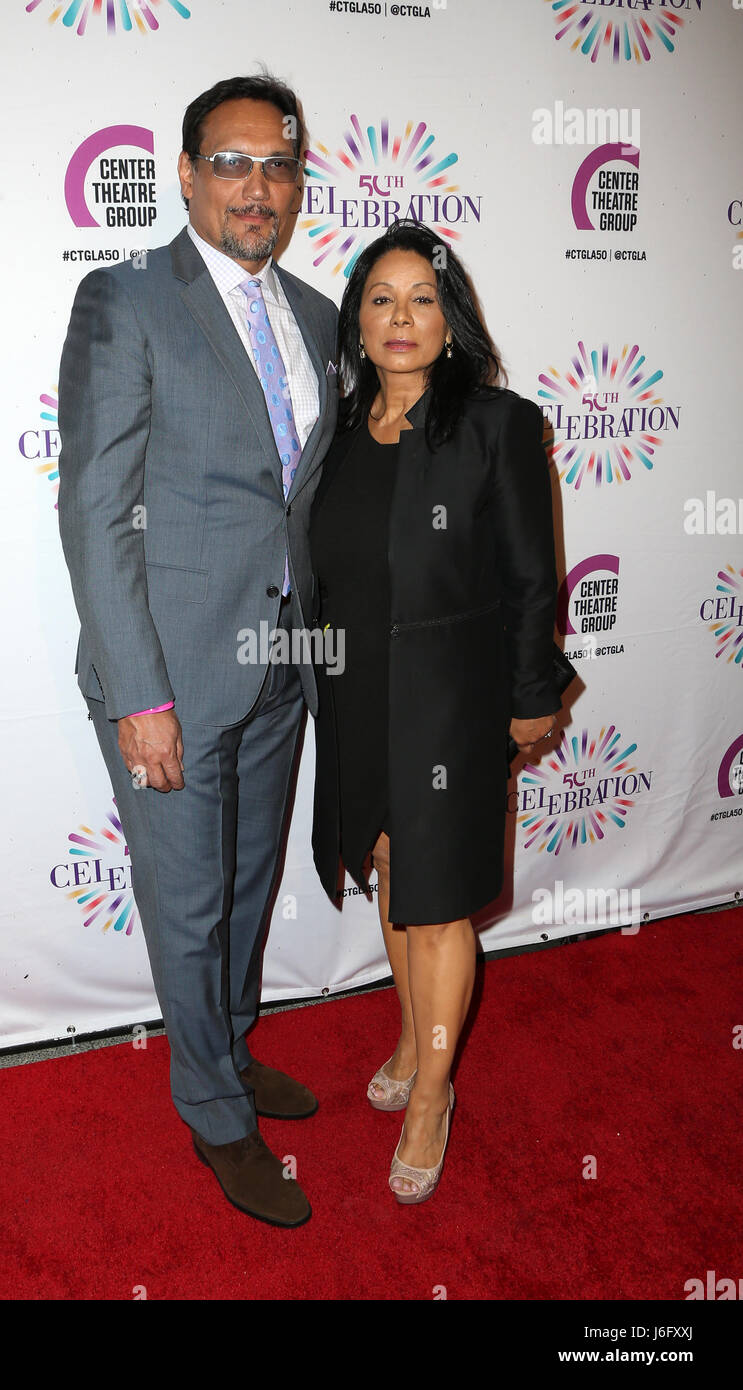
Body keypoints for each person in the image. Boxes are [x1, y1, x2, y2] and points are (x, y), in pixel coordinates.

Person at [57, 74, 339, 1228]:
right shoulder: (127, 301)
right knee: (185, 900)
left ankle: (226, 1046)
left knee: (243, 887)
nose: (256, 185)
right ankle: (215, 1116)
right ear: (186, 176)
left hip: (280, 666)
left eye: (277, 165)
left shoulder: (319, 315)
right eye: (231, 163)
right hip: (167, 675)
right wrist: (140, 695)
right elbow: (92, 507)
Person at [309, 219, 560, 1204]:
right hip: (358, 689)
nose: (400, 317)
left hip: (453, 701)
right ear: (358, 323)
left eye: (422, 298)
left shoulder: (497, 423)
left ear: (450, 320)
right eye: (380, 298)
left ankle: (434, 1096)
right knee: (387, 867)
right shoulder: (339, 428)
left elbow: (533, 577)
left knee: (439, 897)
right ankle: (414, 1038)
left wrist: (530, 697)